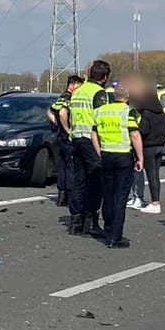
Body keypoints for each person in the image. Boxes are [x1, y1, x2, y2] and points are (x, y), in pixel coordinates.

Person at [92, 85, 143, 248]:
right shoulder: (129, 111)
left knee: (108, 194)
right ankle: (116, 236)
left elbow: (94, 133)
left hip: (106, 154)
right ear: (127, 96)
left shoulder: (101, 111)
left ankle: (107, 230)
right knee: (120, 197)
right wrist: (140, 158)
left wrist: (99, 151)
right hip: (123, 156)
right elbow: (135, 135)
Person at [66, 60, 110, 236]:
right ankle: (90, 221)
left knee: (79, 181)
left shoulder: (78, 91)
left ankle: (76, 221)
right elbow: (102, 118)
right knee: (95, 181)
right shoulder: (99, 93)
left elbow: (69, 115)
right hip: (91, 140)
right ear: (105, 77)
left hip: (75, 138)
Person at [129, 85, 165, 216]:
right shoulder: (161, 112)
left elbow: (143, 130)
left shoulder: (146, 113)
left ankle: (155, 203)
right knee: (155, 175)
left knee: (151, 176)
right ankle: (155, 200)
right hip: (160, 146)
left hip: (149, 147)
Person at [49, 74, 81, 207]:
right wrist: (67, 128)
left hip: (60, 136)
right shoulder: (69, 97)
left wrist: (57, 124)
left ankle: (61, 194)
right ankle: (69, 195)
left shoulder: (61, 96)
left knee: (62, 164)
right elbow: (62, 113)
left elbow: (50, 112)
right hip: (67, 137)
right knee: (70, 166)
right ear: (73, 84)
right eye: (79, 86)